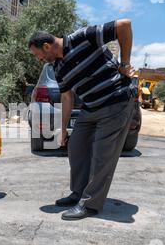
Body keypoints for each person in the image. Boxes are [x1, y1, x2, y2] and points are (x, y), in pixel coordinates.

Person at [28, 19, 136, 221]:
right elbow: (67, 97)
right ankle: (78, 193)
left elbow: (124, 25)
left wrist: (125, 63)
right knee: (76, 146)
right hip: (90, 107)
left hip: (115, 101)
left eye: (38, 55)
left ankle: (90, 204)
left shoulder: (82, 37)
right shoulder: (59, 68)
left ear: (47, 46)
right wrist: (62, 129)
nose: (38, 59)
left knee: (102, 156)